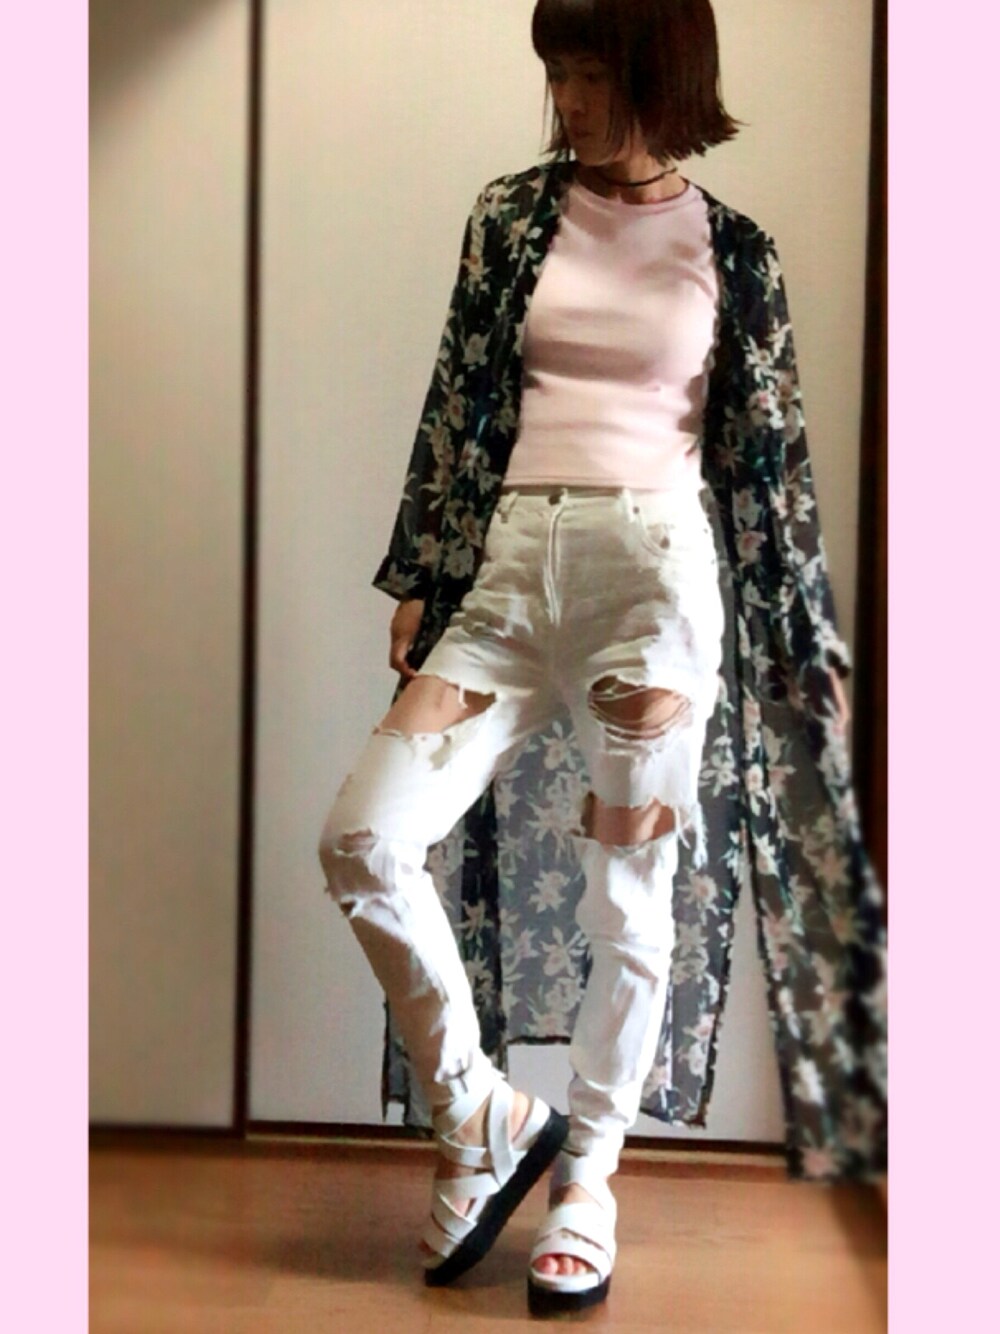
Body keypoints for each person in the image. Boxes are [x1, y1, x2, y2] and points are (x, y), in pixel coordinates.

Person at [318, 0, 882, 1317]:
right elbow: (455, 399)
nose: (567, 99)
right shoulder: (509, 216)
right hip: (510, 575)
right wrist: (424, 573)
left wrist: (806, 641)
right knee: (363, 839)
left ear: (664, 74)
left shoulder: (735, 252)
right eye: (558, 71)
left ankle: (588, 1183)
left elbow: (772, 463)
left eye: (592, 71)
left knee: (631, 895)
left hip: (653, 584)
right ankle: (483, 1113)